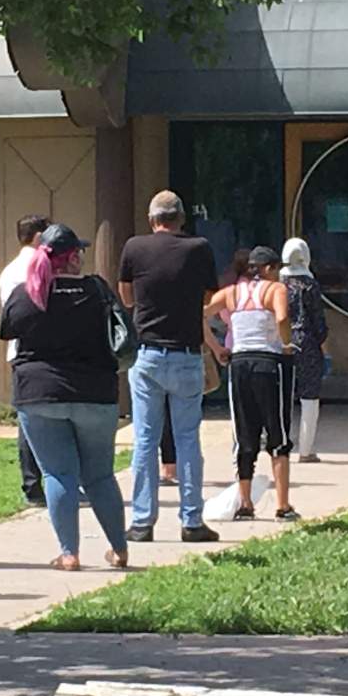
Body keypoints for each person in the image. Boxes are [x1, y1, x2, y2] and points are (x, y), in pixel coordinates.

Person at [0, 224, 128, 571]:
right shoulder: (97, 290)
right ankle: (119, 549)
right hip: (95, 393)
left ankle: (68, 553)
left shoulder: (25, 294)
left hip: (39, 393)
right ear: (73, 257)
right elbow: (121, 331)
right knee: (100, 475)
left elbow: (7, 330)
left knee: (57, 474)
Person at [119, 190, 221, 544]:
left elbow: (127, 296)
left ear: (152, 220)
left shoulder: (134, 247)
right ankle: (192, 520)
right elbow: (209, 297)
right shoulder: (199, 248)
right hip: (186, 353)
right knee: (187, 438)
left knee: (145, 439)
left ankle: (142, 522)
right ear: (181, 219)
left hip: (147, 353)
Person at [206, 246, 300, 521]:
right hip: (269, 363)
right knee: (277, 432)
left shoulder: (232, 293)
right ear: (269, 269)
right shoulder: (275, 290)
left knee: (244, 434)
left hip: (239, 364)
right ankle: (282, 505)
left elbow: (200, 314)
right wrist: (286, 344)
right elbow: (282, 317)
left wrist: (215, 347)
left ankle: (245, 503)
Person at [0, 213, 51, 506]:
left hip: (18, 352)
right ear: (38, 237)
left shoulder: (8, 270)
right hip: (40, 350)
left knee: (27, 418)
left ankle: (32, 484)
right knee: (45, 420)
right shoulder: (39, 266)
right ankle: (42, 482)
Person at [281, 238, 328, 463]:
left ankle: (281, 445)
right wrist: (322, 342)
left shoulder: (277, 283)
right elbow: (319, 321)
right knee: (310, 398)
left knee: (282, 396)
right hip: (307, 342)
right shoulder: (310, 284)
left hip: (281, 342)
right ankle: (306, 450)